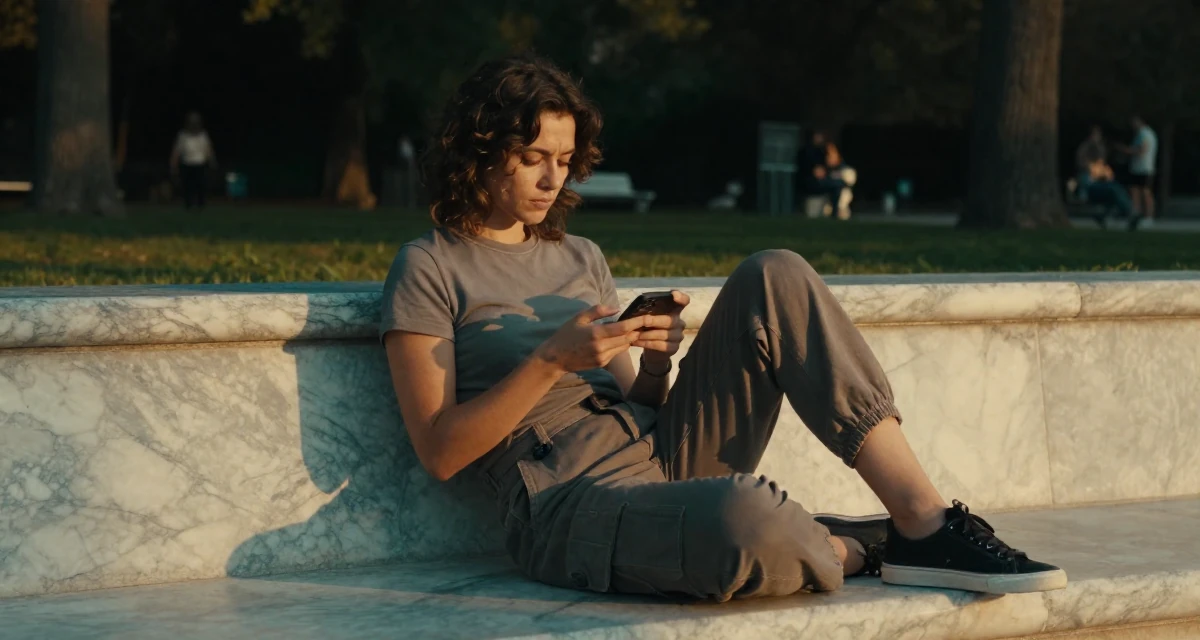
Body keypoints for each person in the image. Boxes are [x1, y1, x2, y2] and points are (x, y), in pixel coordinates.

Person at [380, 54, 1066, 602]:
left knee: (777, 272)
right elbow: (441, 452)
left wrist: (651, 363)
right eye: (534, 157)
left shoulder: (578, 257)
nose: (553, 178)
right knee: (745, 517)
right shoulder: (430, 266)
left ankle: (925, 523)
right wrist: (551, 364)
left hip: (661, 452)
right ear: (481, 150)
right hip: (567, 501)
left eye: (564, 160)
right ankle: (854, 547)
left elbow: (639, 406)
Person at [1075, 126, 1133, 225]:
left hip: (1100, 184)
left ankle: (1119, 214)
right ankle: (1129, 213)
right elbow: (1085, 179)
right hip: (1092, 187)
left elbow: (1106, 173)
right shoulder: (1085, 153)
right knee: (1114, 189)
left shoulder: (1100, 159)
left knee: (1116, 189)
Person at [1117, 116, 1158, 230]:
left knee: (1145, 193)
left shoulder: (1146, 134)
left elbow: (1142, 149)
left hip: (1144, 168)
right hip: (1137, 168)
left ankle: (1149, 217)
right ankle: (1137, 215)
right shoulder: (1140, 134)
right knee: (1135, 192)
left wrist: (1126, 150)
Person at [170, 111, 217, 210]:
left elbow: (208, 149)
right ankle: (189, 205)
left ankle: (201, 205)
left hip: (200, 164)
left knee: (201, 186)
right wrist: (174, 165)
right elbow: (176, 151)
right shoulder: (182, 135)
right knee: (187, 186)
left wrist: (212, 161)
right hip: (187, 164)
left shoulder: (203, 135)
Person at [824, 143, 857, 220]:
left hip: (842, 208)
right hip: (825, 207)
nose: (828, 158)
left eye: (831, 154)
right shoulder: (824, 171)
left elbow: (849, 183)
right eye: (827, 155)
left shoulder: (847, 170)